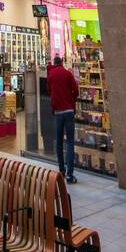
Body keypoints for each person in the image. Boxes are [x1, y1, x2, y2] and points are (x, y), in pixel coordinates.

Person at [47, 55, 79, 184]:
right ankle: (70, 175)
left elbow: (49, 91)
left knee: (59, 142)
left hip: (58, 112)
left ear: (54, 64)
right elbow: (75, 90)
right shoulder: (68, 73)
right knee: (70, 142)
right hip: (69, 111)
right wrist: (72, 100)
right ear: (62, 63)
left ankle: (61, 171)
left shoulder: (51, 75)